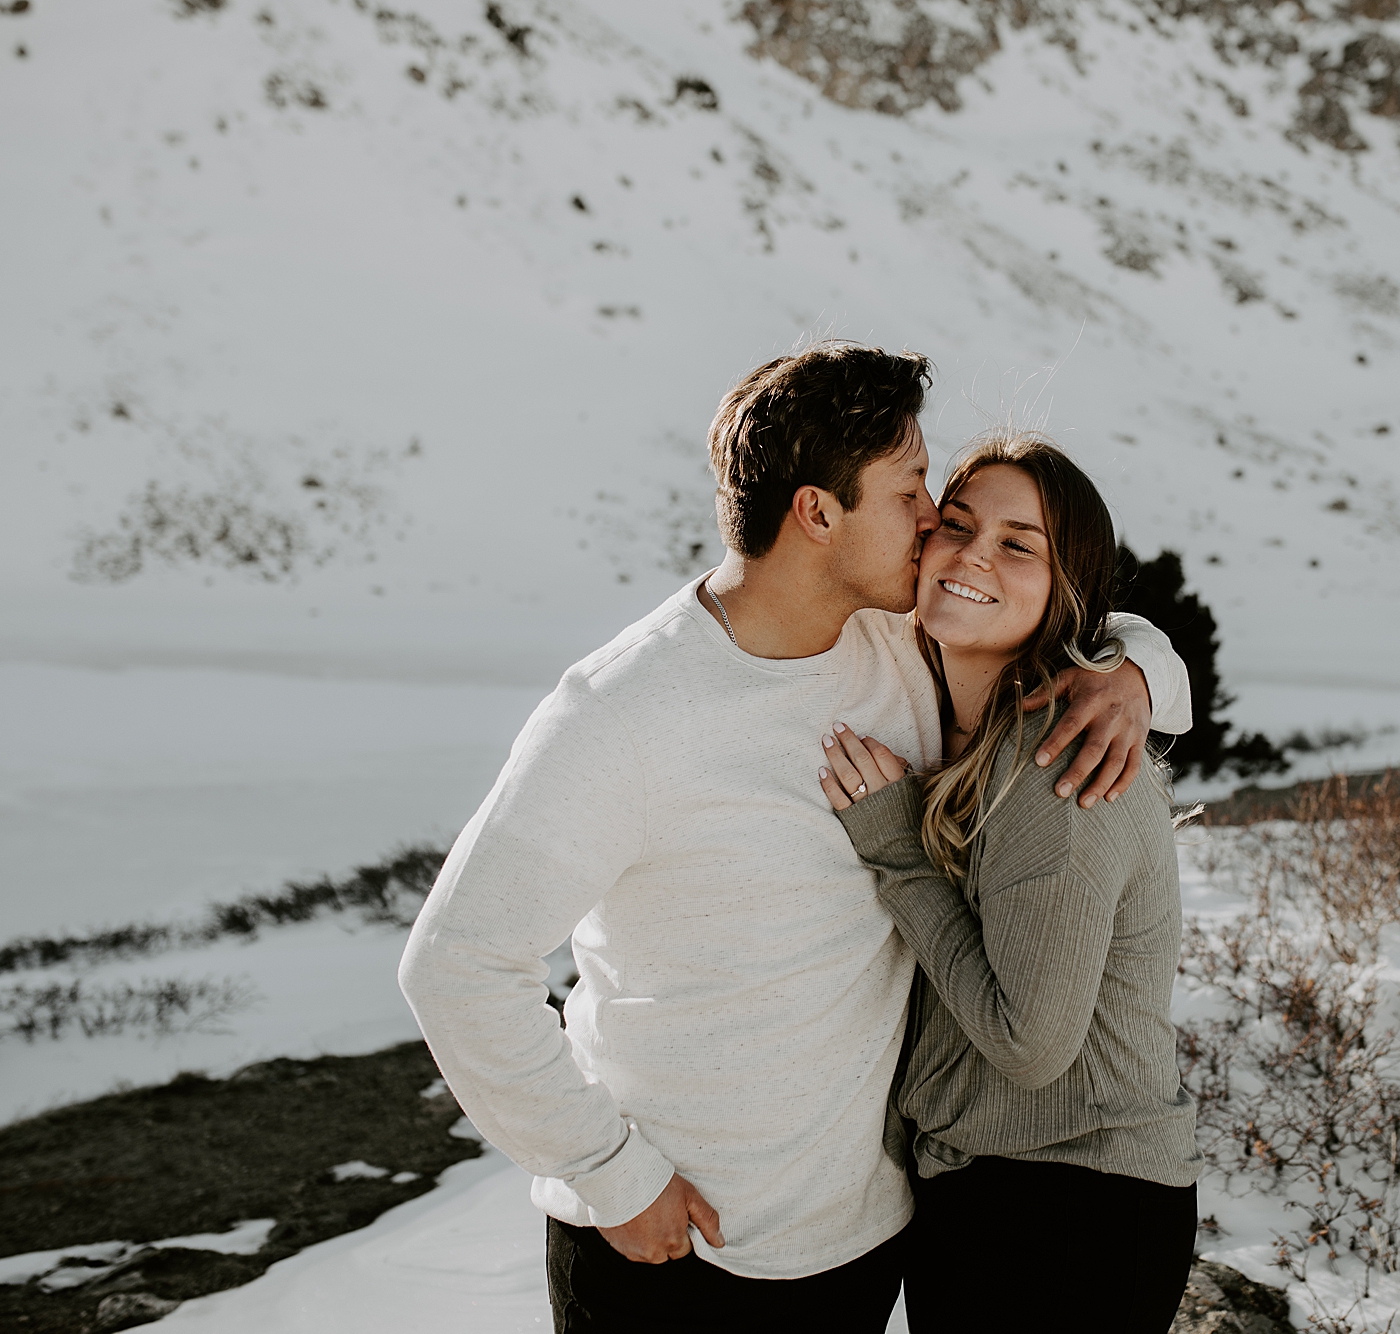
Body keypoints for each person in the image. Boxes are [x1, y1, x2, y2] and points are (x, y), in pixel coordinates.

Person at [398, 341, 1192, 1333]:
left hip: (861, 1249)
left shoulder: (898, 642)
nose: (933, 523)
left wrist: (1135, 675)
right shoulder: (621, 713)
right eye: (911, 490)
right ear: (817, 512)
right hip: (675, 1248)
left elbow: (1047, 612)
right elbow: (457, 965)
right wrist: (610, 1174)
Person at [818, 433, 1202, 1333]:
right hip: (997, 1188)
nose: (973, 556)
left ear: (1066, 591)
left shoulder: (1056, 763)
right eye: (957, 525)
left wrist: (896, 851)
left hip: (1070, 1211)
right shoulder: (957, 720)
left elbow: (1030, 1044)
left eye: (1019, 544)